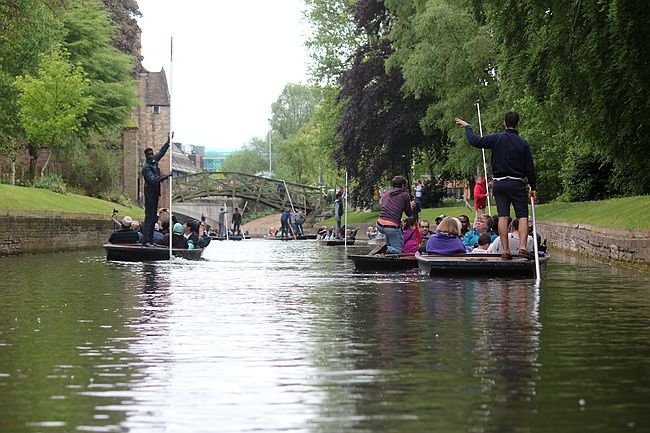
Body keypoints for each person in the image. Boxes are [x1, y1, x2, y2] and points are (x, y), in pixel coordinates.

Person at [456, 111, 537, 259]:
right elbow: (529, 167)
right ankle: (523, 247)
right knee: (523, 216)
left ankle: (505, 250)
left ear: (504, 123)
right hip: (516, 182)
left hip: (499, 183)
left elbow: (475, 141)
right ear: (517, 123)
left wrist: (468, 127)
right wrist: (533, 186)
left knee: (503, 216)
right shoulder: (523, 142)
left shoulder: (496, 138)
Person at [142, 135, 172, 245]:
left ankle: (150, 239)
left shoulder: (154, 161)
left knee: (153, 216)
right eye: (149, 155)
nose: (151, 156)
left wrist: (168, 143)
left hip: (155, 194)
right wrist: (165, 175)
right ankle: (146, 241)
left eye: (152, 154)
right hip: (150, 194)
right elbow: (153, 180)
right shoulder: (146, 168)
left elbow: (161, 152)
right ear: (146, 156)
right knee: (149, 217)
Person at [374, 175, 415, 255]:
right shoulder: (405, 195)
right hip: (391, 227)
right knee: (398, 250)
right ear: (403, 185)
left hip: (379, 224)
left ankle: (385, 250)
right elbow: (409, 213)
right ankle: (383, 248)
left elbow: (383, 204)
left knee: (391, 244)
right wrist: (411, 206)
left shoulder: (386, 194)